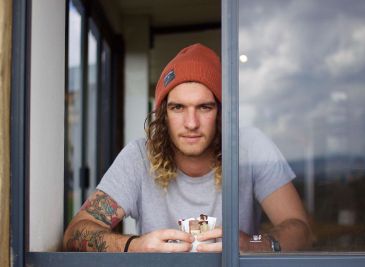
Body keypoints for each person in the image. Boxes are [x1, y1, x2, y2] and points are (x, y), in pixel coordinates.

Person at [63, 43, 312, 253]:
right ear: (162, 115)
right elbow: (76, 232)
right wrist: (135, 246)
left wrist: (250, 243)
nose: (191, 123)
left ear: (221, 114)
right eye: (178, 108)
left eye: (204, 107)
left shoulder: (251, 147)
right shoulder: (139, 156)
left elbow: (300, 229)